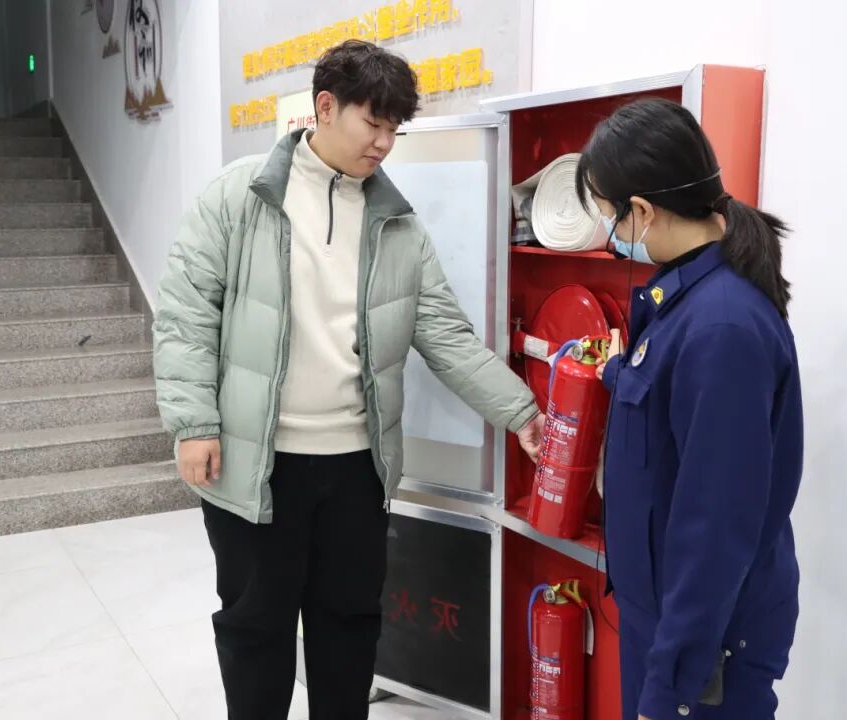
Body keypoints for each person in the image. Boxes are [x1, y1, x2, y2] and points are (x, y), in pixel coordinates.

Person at [152, 40, 544, 720]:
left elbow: (446, 336)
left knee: (349, 625)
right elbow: (186, 316)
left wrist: (522, 411)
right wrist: (193, 424)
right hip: (257, 463)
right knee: (256, 627)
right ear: (325, 108)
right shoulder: (239, 196)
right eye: (374, 123)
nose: (385, 143)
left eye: (395, 128)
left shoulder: (397, 225)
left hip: (358, 466)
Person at [578, 99, 803, 720]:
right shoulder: (685, 299)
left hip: (706, 646)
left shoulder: (721, 326)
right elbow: (667, 398)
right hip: (666, 620)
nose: (612, 232)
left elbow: (716, 524)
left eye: (610, 216)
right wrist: (615, 370)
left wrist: (671, 684)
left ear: (643, 211)